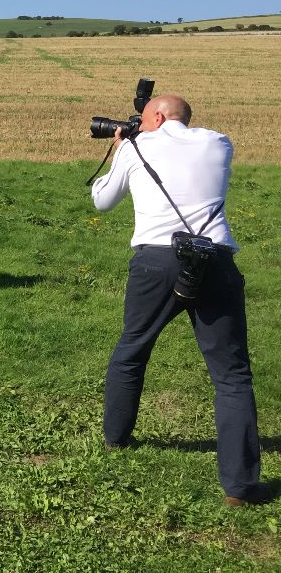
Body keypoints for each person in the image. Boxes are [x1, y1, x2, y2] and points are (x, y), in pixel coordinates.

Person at [91, 94, 269, 506]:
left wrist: (121, 146)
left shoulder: (136, 146)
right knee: (232, 375)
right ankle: (240, 488)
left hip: (156, 261)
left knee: (132, 348)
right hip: (215, 258)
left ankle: (116, 439)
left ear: (155, 116)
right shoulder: (219, 142)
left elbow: (102, 199)